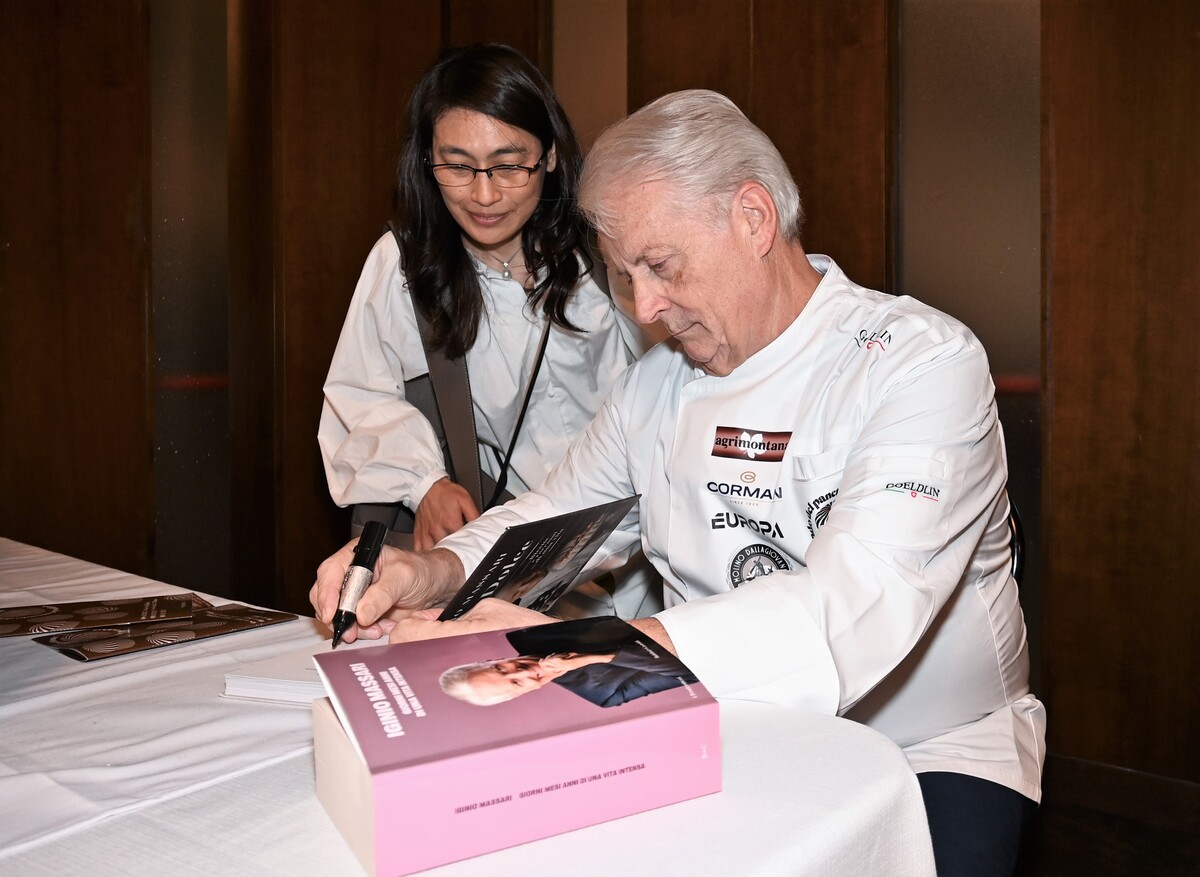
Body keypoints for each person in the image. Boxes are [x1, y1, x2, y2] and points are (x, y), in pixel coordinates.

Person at [312, 89, 1045, 875]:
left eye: (660, 266)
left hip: (926, 746)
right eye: (627, 278)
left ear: (754, 218)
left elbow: (855, 604)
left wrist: (557, 653)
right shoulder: (655, 386)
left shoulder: (920, 361)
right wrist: (430, 569)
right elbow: (555, 513)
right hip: (714, 718)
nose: (649, 308)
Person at [317, 43, 655, 618]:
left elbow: (672, 381)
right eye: (457, 165)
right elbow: (359, 395)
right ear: (427, 160)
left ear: (549, 155)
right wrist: (425, 483)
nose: (484, 193)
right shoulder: (403, 265)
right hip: (496, 560)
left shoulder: (604, 252)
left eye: (508, 164)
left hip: (630, 554)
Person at [439, 617, 697, 708]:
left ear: (490, 659)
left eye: (500, 668)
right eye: (516, 683)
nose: (523, 672)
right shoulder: (602, 695)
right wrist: (592, 658)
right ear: (522, 694)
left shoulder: (525, 631)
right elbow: (685, 671)